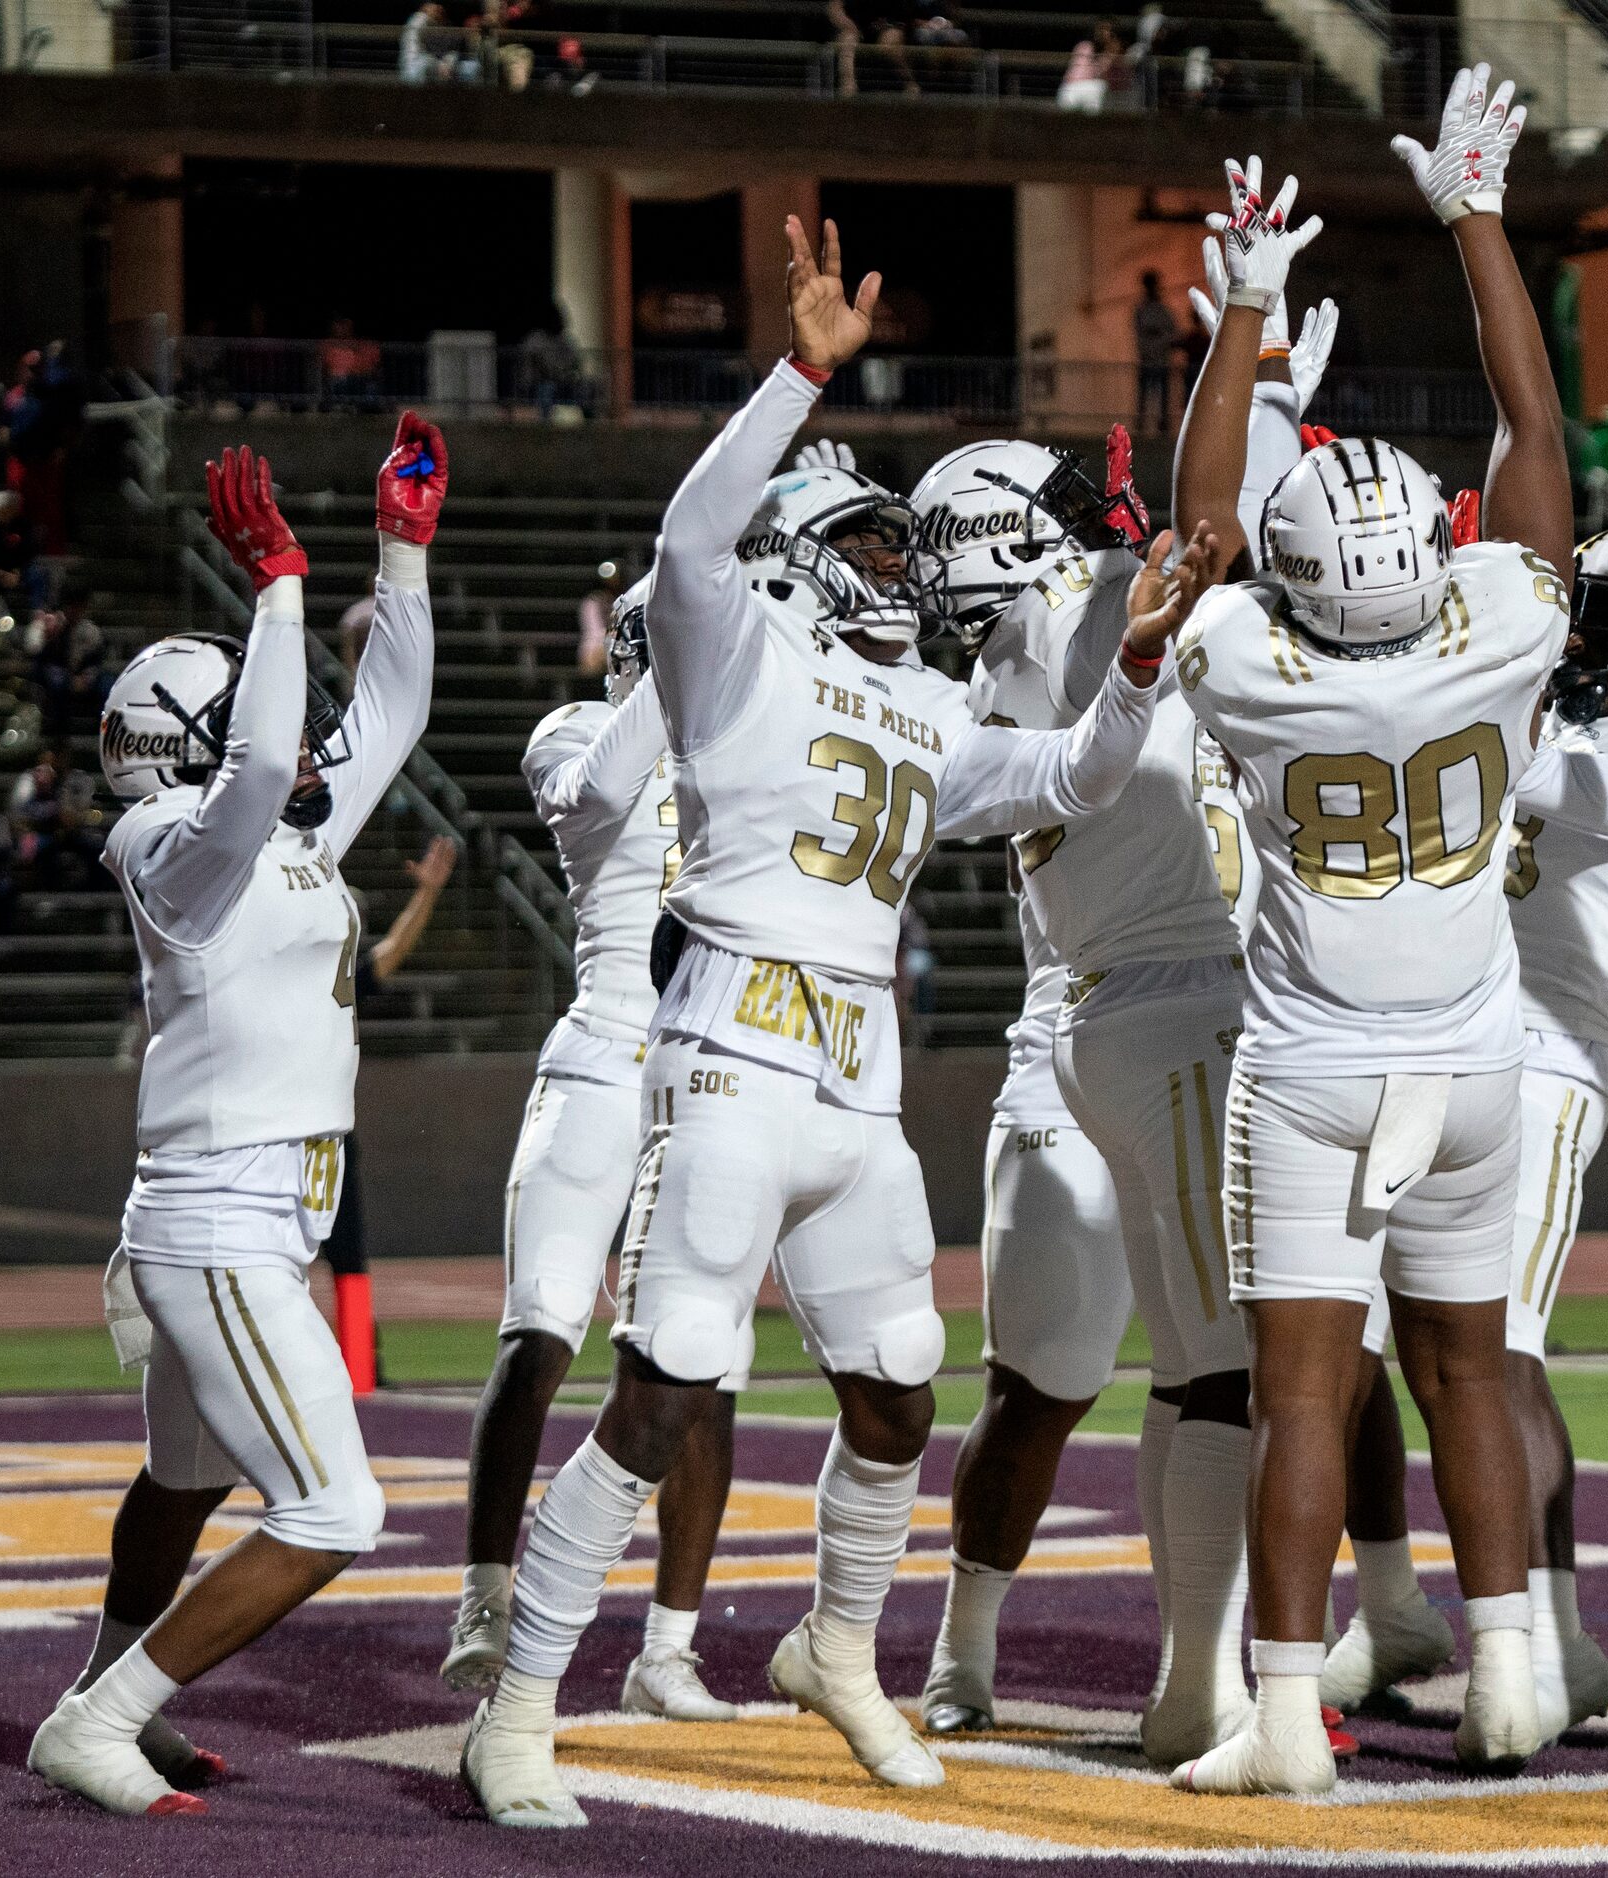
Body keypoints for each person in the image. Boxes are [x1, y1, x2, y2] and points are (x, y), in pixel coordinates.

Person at [460, 215, 1217, 1827]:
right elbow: (689, 533)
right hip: (730, 1057)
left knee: (897, 1390)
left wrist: (1136, 662)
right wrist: (801, 373)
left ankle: (837, 1644)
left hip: (857, 1089)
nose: (899, 568)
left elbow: (1077, 774)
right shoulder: (730, 651)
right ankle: (519, 1705)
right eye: (869, 546)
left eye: (900, 546)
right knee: (660, 1393)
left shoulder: (924, 700)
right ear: (799, 560)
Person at [1162, 68, 1571, 1794]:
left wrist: (1245, 319)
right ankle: (1502, 1679)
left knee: (1310, 1397)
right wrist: (1476, 211)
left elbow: (1193, 527)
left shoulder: (1253, 666)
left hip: (1320, 1068)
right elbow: (1535, 439)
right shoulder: (1496, 622)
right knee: (1472, 1372)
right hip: (1478, 1060)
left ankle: (1276, 1722)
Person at [27, 414, 445, 1816]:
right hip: (223, 1216)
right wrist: (273, 586)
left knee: (184, 1473)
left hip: (257, 1210)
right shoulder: (162, 847)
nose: (295, 736)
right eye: (252, 711)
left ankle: (103, 1688)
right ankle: (102, 1719)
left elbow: (386, 718)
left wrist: (403, 556)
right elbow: (262, 764)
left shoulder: (270, 831)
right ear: (182, 745)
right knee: (335, 1507)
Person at [1329, 524, 1608, 1740]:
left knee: (1499, 1350)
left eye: (1603, 614)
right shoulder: (1571, 716)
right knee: (1347, 1344)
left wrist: (1461, 634)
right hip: (1439, 1032)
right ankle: (1390, 1604)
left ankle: (1549, 1640)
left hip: (1544, 1058)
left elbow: (1539, 779)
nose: (1580, 633)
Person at [901, 424, 1261, 1763]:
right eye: (1057, 502)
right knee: (1051, 1378)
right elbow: (1188, 541)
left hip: (1196, 1003)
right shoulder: (1049, 637)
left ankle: (1229, 1657)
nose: (1087, 515)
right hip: (1110, 1014)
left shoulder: (1060, 628)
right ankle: (971, 1641)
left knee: (1226, 1362)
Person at [445, 572, 746, 1722]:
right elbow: (610, 778)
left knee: (702, 1368)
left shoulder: (731, 738)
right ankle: (484, 1594)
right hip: (605, 1051)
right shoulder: (573, 728)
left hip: (707, 1066)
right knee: (542, 1333)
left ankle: (668, 1646)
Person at [314, 832, 460, 1394]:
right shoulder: (271, 977)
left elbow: (392, 951)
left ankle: (359, 1372)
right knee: (267, 1262)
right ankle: (262, 1374)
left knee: (349, 1259)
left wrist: (426, 895)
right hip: (272, 1132)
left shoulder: (339, 982)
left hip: (330, 1135)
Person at [1133, 271, 1180, 433]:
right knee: (1146, 396)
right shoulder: (1142, 311)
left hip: (1159, 360)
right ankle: (1143, 423)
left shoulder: (1161, 310)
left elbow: (1172, 333)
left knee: (1161, 397)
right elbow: (1141, 334)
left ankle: (1162, 424)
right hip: (1148, 359)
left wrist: (1157, 337)